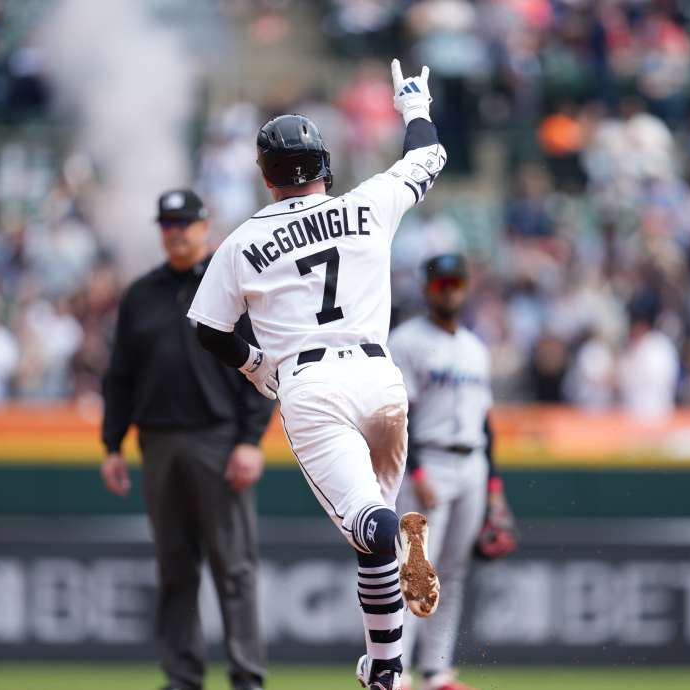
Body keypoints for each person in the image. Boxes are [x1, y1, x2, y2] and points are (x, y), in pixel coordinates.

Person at [186, 60, 447, 690]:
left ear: (267, 177)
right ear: (323, 164)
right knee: (374, 538)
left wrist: (255, 367)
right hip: (381, 379)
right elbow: (429, 155)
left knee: (371, 525)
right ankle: (385, 669)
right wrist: (412, 105)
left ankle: (395, 538)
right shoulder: (367, 204)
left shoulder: (243, 243)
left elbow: (206, 327)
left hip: (313, 387)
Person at [100, 189, 275, 690]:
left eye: (184, 222)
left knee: (234, 567)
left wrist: (249, 439)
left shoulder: (231, 280)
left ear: (204, 226)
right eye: (167, 223)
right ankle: (182, 677)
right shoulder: (141, 294)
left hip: (218, 440)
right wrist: (112, 444)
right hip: (157, 442)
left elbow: (264, 366)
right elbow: (120, 376)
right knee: (174, 568)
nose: (175, 231)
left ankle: (247, 677)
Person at [389, 255, 500, 690]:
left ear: (466, 287)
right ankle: (395, 671)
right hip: (428, 460)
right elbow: (399, 415)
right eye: (441, 284)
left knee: (451, 572)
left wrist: (494, 483)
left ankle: (437, 670)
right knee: (414, 571)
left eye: (455, 282)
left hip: (472, 463)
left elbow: (486, 424)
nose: (449, 290)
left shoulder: (476, 348)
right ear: (427, 289)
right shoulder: (407, 341)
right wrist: (415, 472)